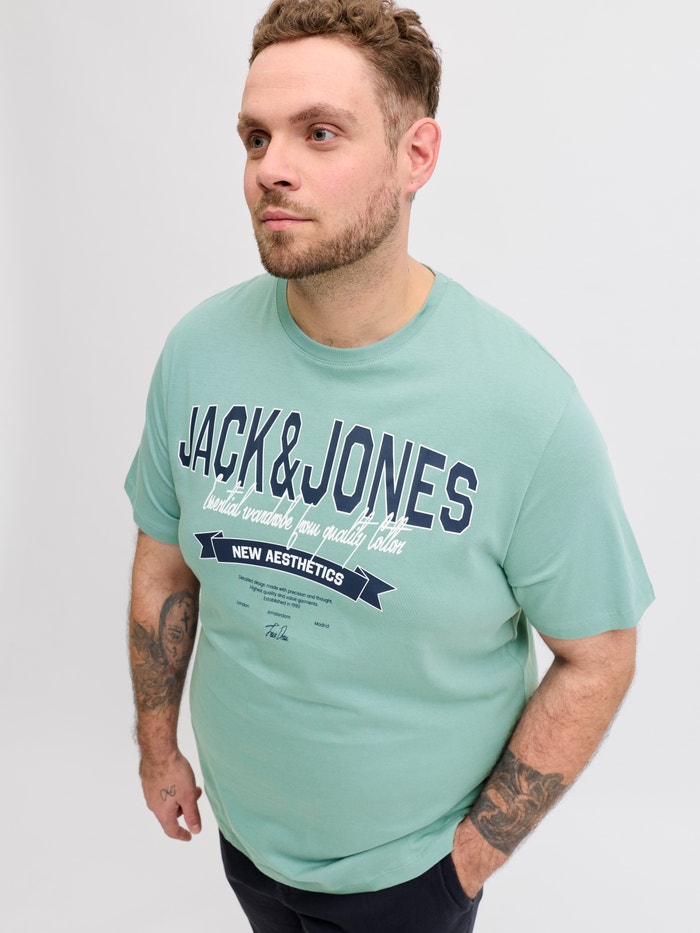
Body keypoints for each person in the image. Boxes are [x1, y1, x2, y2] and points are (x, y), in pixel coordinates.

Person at [125, 1, 654, 930]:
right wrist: (157, 745)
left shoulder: (523, 407)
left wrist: (466, 862)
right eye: (256, 137)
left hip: (412, 880)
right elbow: (166, 567)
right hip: (244, 841)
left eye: (320, 132)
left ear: (417, 155)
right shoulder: (197, 352)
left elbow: (599, 652)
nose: (271, 167)